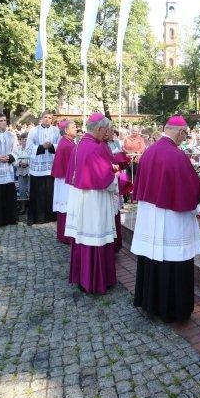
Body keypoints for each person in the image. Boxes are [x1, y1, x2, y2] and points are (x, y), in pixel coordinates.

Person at [131, 115, 200, 322]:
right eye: (185, 134)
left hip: (149, 215)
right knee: (173, 259)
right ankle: (173, 309)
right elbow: (192, 188)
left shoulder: (149, 151)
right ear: (180, 132)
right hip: (172, 218)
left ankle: (150, 303)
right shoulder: (176, 155)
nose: (184, 138)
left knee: (152, 258)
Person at [65, 113, 118, 294]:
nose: (108, 133)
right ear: (99, 128)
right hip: (94, 199)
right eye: (107, 130)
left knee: (84, 239)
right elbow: (106, 180)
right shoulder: (93, 148)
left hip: (83, 197)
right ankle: (95, 280)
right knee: (94, 238)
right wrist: (118, 177)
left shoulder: (82, 144)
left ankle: (84, 278)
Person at [26, 111, 60, 225]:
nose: (47, 119)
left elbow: (60, 146)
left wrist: (51, 146)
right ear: (41, 118)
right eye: (45, 117)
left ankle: (50, 216)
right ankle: (37, 217)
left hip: (51, 166)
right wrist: (41, 147)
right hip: (38, 168)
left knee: (50, 192)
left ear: (52, 119)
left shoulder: (56, 131)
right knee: (37, 192)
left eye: (50, 117)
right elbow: (29, 148)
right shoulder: (33, 131)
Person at [0, 113, 18, 229]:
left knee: (8, 194)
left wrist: (9, 157)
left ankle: (9, 218)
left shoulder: (12, 135)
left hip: (7, 171)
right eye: (1, 120)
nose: (4, 122)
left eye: (5, 120)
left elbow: (15, 151)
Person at [51, 120, 77, 244]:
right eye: (74, 127)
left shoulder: (67, 142)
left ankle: (62, 234)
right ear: (66, 130)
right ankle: (66, 236)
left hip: (63, 179)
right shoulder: (68, 145)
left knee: (64, 207)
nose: (76, 128)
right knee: (67, 206)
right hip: (66, 181)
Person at [16, 132, 30, 202]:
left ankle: (32, 206)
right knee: (22, 190)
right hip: (20, 171)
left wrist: (28, 163)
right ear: (20, 140)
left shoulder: (31, 148)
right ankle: (22, 206)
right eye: (23, 139)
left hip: (29, 171)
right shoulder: (17, 149)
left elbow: (34, 159)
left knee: (31, 189)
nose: (24, 141)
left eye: (26, 139)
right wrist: (20, 163)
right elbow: (14, 159)